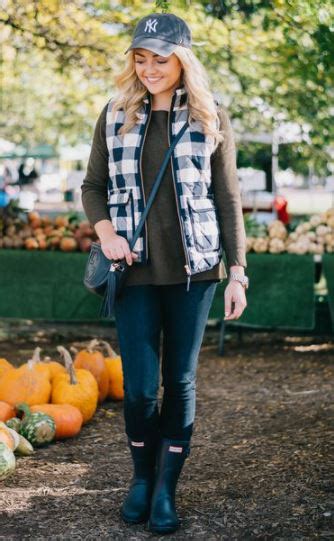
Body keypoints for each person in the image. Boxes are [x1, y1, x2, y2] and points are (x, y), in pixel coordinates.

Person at [81, 12, 249, 535]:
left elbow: (228, 199)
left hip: (196, 274)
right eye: (141, 58)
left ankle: (166, 489)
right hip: (131, 275)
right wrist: (106, 234)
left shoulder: (209, 117)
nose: (149, 68)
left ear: (183, 60)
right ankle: (139, 476)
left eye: (160, 58)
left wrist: (238, 271)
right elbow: (92, 186)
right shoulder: (114, 114)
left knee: (179, 382)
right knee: (138, 389)